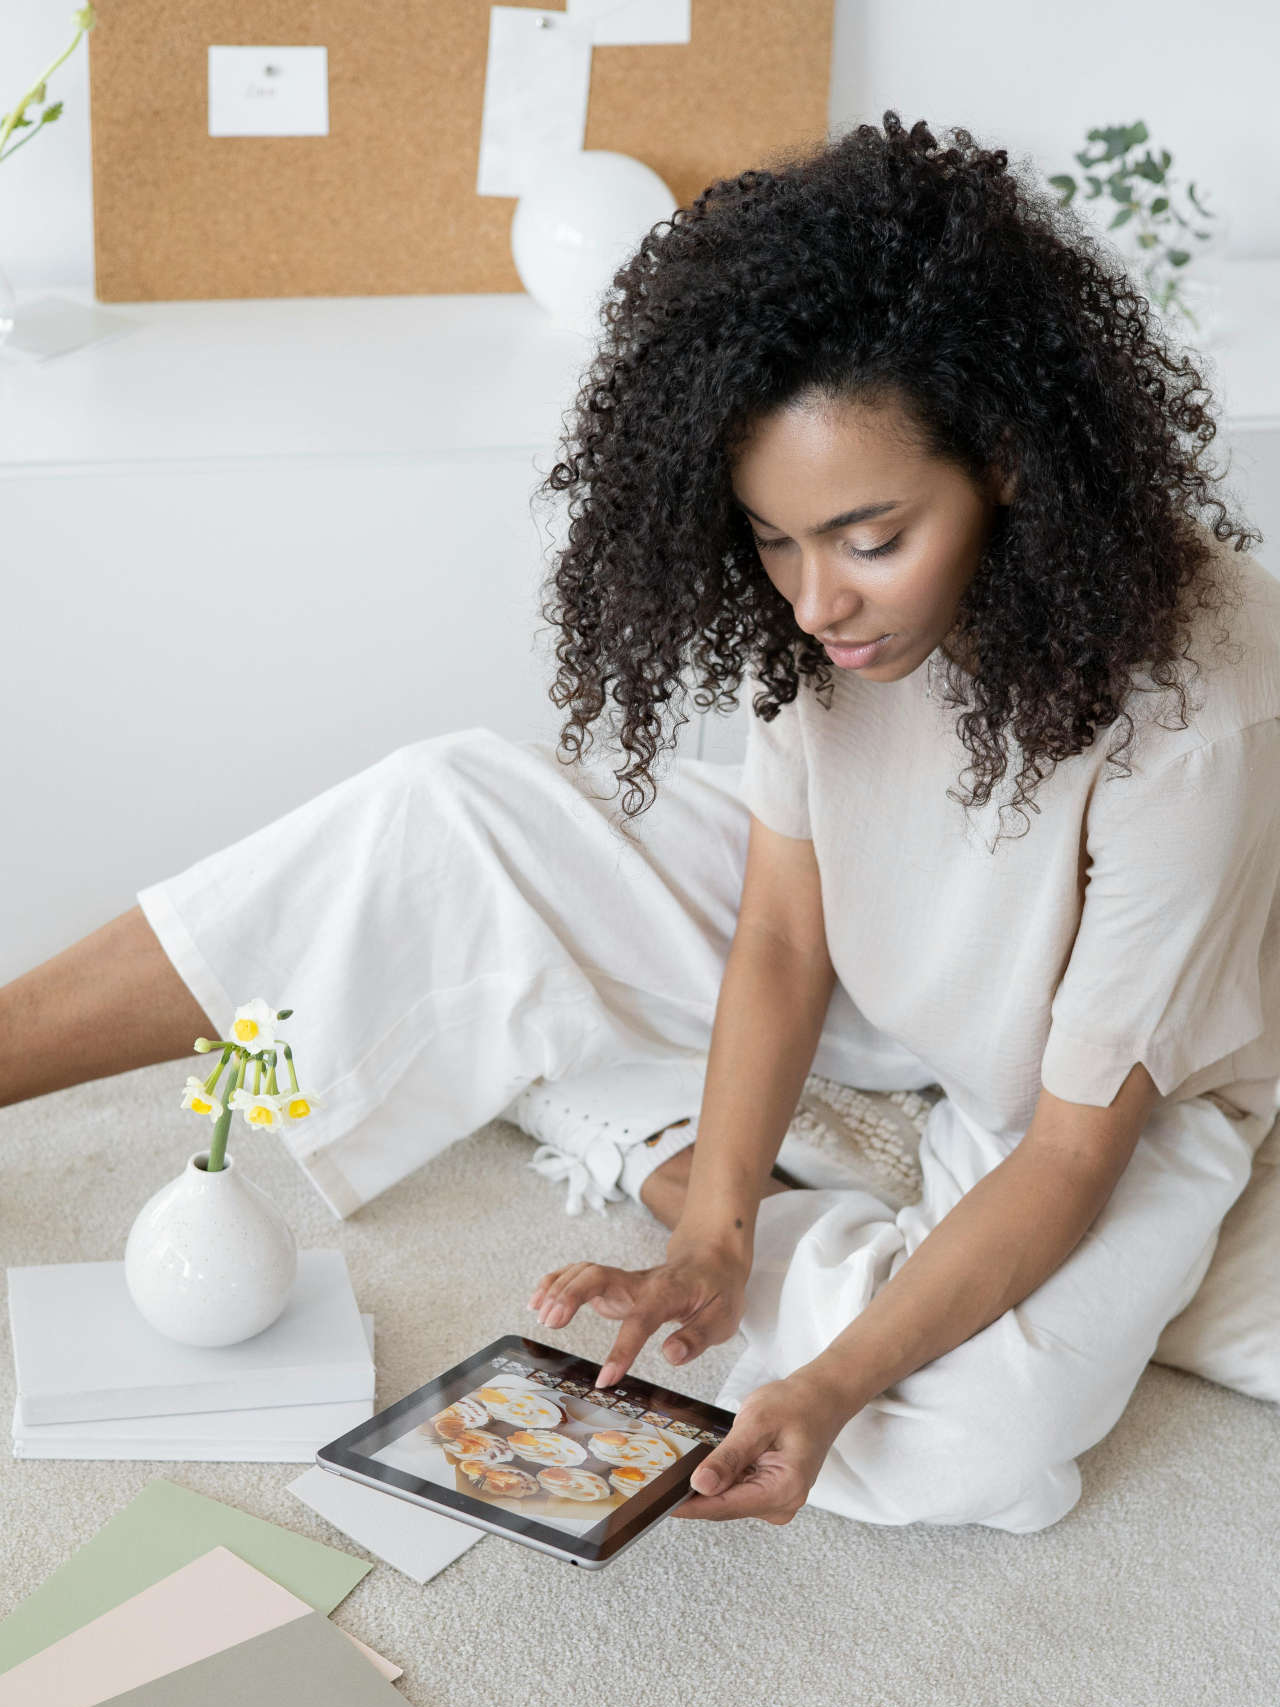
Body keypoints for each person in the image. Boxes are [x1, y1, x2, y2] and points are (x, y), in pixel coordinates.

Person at [5, 112, 1280, 1537]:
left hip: (1097, 1091)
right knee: (444, 817)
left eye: (870, 538)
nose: (814, 602)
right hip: (877, 951)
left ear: (1010, 462)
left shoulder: (1203, 701)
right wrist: (709, 1239)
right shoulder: (828, 623)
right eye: (773, 538)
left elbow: (1061, 1153)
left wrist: (831, 1378)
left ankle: (617, 1110)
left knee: (973, 1444)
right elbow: (787, 932)